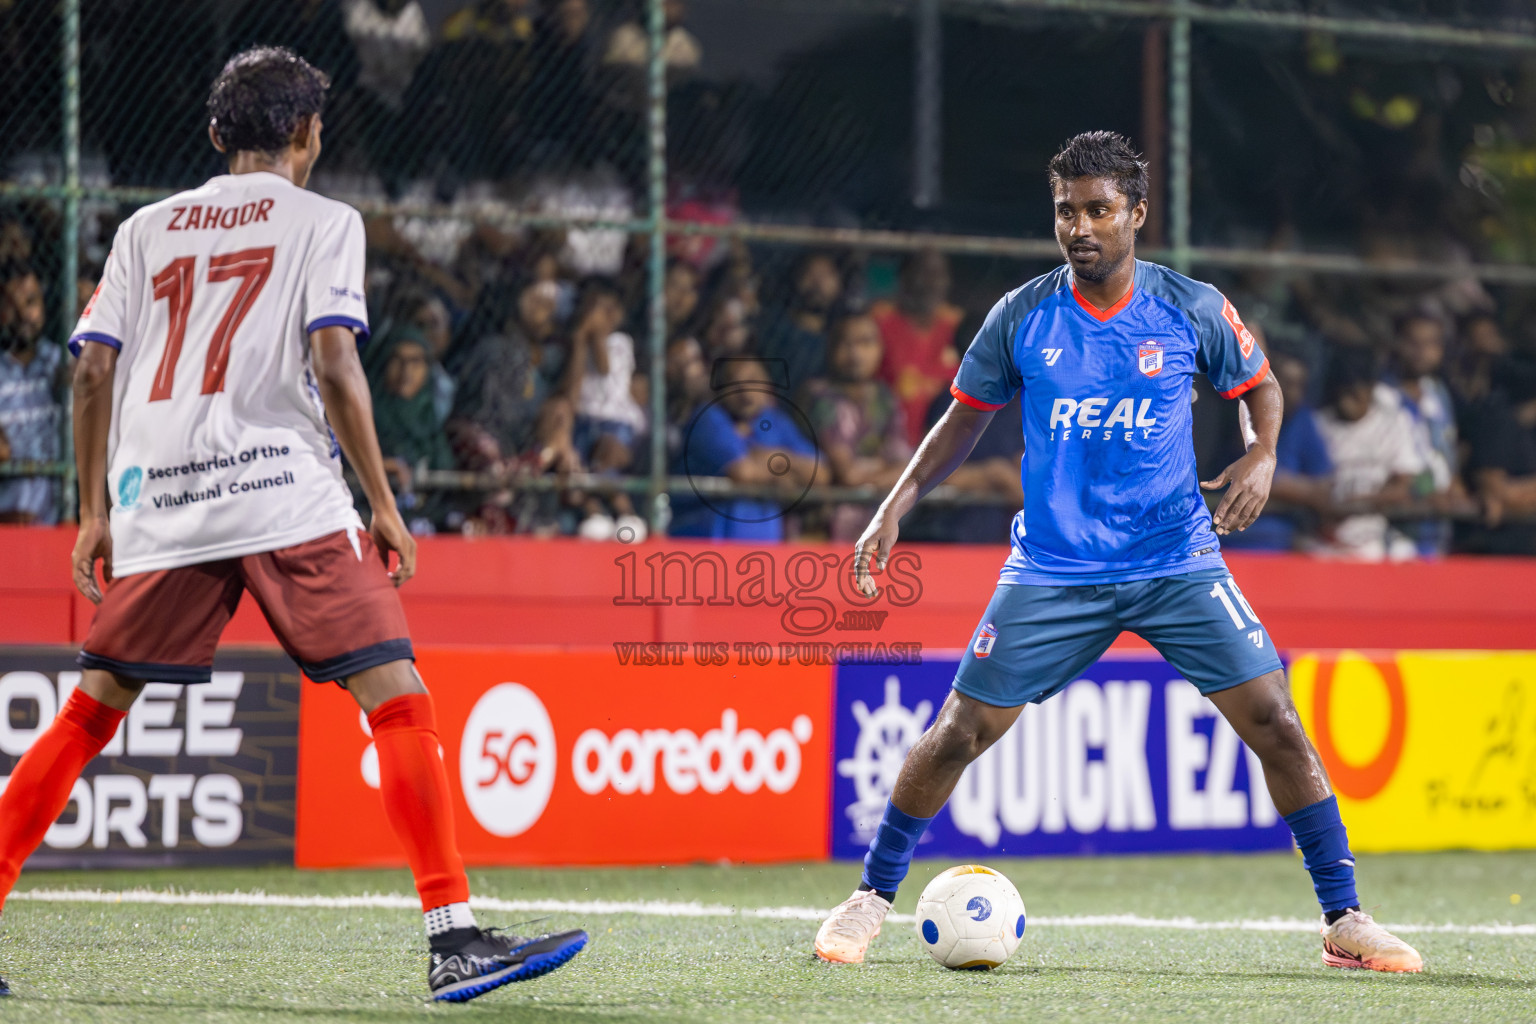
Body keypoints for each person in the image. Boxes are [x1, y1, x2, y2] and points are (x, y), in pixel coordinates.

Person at [0, 47, 586, 1003]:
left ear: (216, 134)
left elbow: (92, 372)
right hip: (282, 488)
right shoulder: (326, 221)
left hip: (165, 495)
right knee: (397, 696)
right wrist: (385, 504)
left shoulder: (146, 228)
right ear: (311, 135)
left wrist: (97, 511)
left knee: (89, 710)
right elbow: (338, 363)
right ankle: (453, 937)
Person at [812, 131, 1422, 974]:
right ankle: (869, 898)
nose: (1080, 227)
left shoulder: (1191, 306)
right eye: (1066, 211)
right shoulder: (1022, 315)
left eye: (1099, 209)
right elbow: (962, 420)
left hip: (1177, 559)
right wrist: (895, 503)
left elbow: (1262, 387)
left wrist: (1263, 451)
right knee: (957, 732)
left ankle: (1345, 919)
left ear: (1137, 213)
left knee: (1278, 723)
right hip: (1055, 569)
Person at [669, 355, 823, 541]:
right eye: (735, 385)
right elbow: (744, 472)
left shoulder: (774, 420)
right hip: (702, 540)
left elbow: (820, 473)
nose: (745, 393)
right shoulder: (709, 418)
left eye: (753, 381)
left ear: (767, 384)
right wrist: (786, 472)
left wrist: (774, 456)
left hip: (762, 545)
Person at [800, 312, 911, 541]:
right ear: (831, 348)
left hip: (878, 520)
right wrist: (884, 467)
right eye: (845, 343)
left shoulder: (884, 397)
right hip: (823, 526)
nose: (855, 354)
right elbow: (848, 475)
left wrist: (874, 472)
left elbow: (906, 467)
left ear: (880, 348)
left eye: (865, 342)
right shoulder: (818, 396)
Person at [1314, 347, 1425, 561]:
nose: (1347, 402)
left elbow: (1404, 486)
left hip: (1373, 543)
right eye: (1344, 393)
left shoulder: (1394, 423)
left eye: (1355, 394)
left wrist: (1358, 503)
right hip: (1323, 545)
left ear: (1371, 389)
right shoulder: (1319, 425)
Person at [1221, 349, 1334, 551]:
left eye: (1300, 386)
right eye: (1287, 383)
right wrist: (1298, 490)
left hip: (1283, 538)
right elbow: (1250, 476)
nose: (1294, 393)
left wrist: (1283, 486)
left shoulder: (1302, 419)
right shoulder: (1239, 410)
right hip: (1230, 539)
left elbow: (1325, 487)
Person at [871, 249, 964, 447]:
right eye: (923, 273)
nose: (932, 284)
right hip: (889, 444)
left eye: (938, 275)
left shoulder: (956, 324)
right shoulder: (881, 321)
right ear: (904, 277)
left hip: (946, 446)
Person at [0, 260, 67, 524]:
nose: (24, 315)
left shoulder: (59, 365)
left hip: (58, 517)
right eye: (12, 305)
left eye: (31, 302)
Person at [758, 251, 844, 397]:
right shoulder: (772, 327)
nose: (818, 283)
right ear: (796, 279)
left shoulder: (842, 332)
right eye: (810, 274)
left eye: (826, 275)